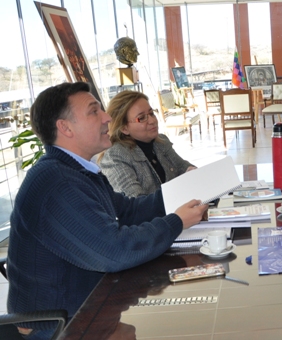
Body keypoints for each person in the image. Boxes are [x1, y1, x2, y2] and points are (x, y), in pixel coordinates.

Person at [6, 82, 208, 339]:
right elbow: (114, 251)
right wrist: (176, 222)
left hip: (87, 305)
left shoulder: (75, 171)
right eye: (94, 111)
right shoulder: (57, 182)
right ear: (65, 127)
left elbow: (129, 211)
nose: (107, 118)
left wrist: (183, 193)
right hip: (58, 325)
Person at [98, 91, 196, 198]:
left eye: (151, 113)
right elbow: (135, 203)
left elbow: (181, 167)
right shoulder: (115, 156)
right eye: (142, 118)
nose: (152, 120)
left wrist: (192, 171)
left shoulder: (161, 142)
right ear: (124, 128)